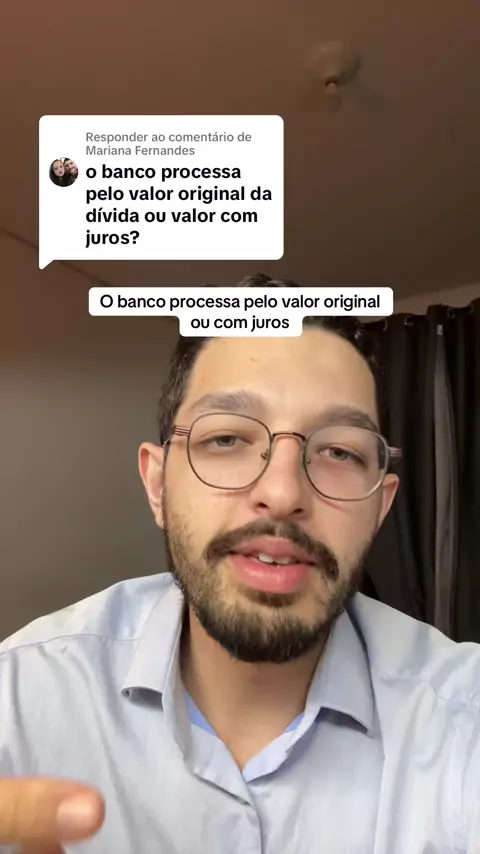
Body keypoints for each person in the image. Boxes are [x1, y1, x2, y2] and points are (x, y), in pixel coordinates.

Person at [1, 274, 480, 853]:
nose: (282, 493)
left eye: (338, 451)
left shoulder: (462, 715)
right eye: (226, 439)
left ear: (380, 508)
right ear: (158, 485)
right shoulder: (19, 696)